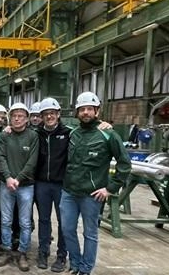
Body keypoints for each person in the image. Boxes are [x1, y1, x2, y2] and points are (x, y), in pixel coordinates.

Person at [61, 92, 131, 275]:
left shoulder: (108, 135)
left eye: (89, 109)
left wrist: (110, 188)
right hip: (69, 191)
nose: (85, 112)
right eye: (82, 109)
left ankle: (86, 269)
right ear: (77, 112)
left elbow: (125, 163)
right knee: (67, 229)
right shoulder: (73, 133)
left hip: (91, 195)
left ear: (97, 111)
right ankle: (75, 263)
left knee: (90, 233)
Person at [0, 103, 38, 271]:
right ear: (10, 118)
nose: (17, 118)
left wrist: (18, 179)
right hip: (6, 184)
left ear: (27, 118)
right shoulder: (5, 136)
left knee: (25, 222)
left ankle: (22, 253)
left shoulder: (33, 136)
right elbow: (2, 157)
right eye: (14, 115)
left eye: (21, 115)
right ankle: (6, 250)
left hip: (25, 186)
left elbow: (32, 161)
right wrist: (7, 177)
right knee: (5, 221)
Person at [35, 97, 70, 272]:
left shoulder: (69, 133)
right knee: (43, 219)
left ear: (58, 114)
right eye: (45, 114)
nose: (49, 117)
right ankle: (43, 251)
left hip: (61, 185)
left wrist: (103, 124)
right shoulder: (36, 133)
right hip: (42, 184)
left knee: (63, 221)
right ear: (41, 116)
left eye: (52, 113)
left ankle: (62, 255)